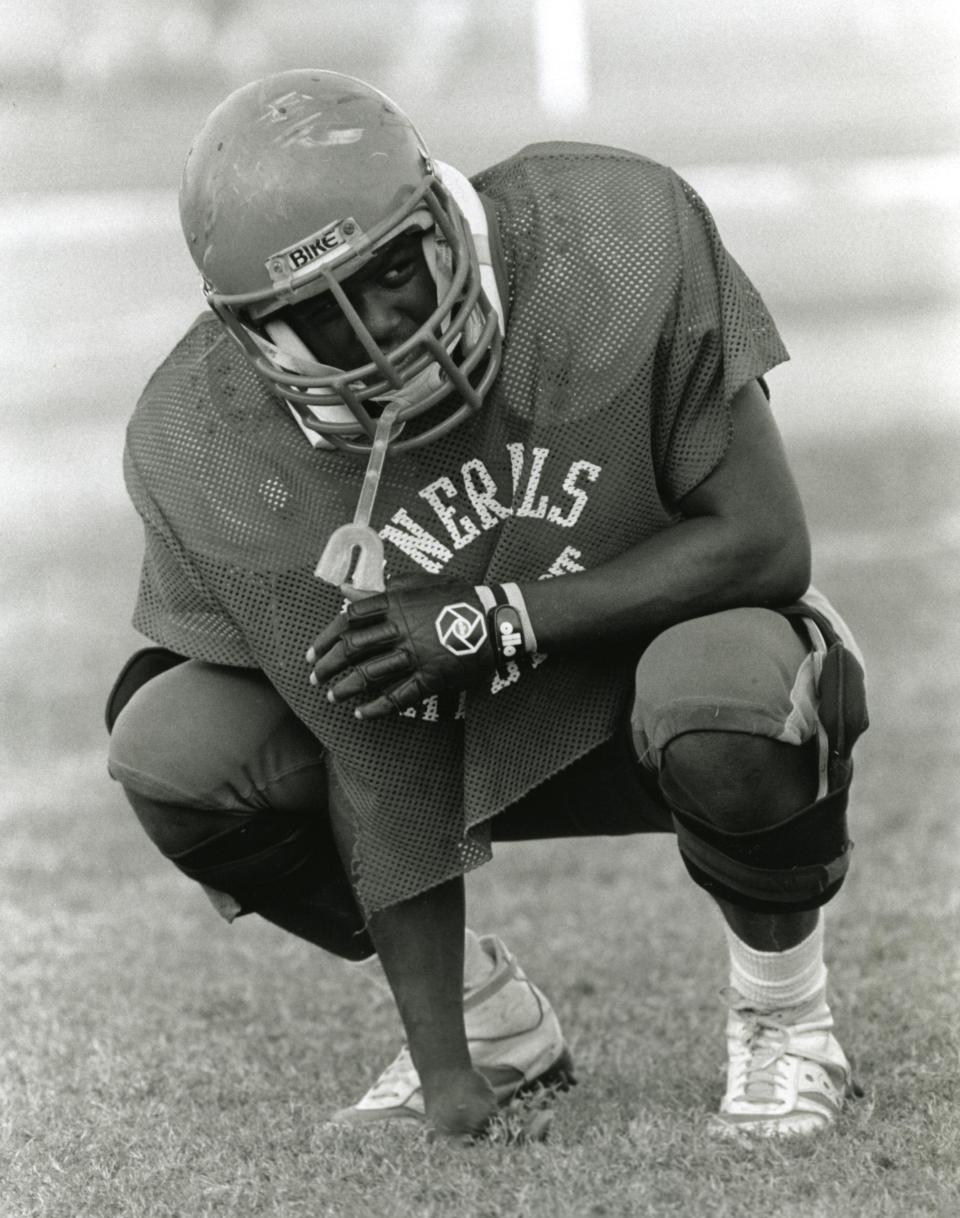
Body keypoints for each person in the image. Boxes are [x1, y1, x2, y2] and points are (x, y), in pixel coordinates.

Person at [106, 68, 869, 1141]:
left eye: (389, 275)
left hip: (652, 664)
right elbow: (360, 738)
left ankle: (788, 1022)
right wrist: (446, 1071)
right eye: (317, 318)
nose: (379, 334)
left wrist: (492, 617)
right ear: (253, 336)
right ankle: (494, 1022)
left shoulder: (612, 239)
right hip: (442, 732)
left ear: (440, 214)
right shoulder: (208, 445)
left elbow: (764, 542)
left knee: (731, 690)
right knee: (176, 747)